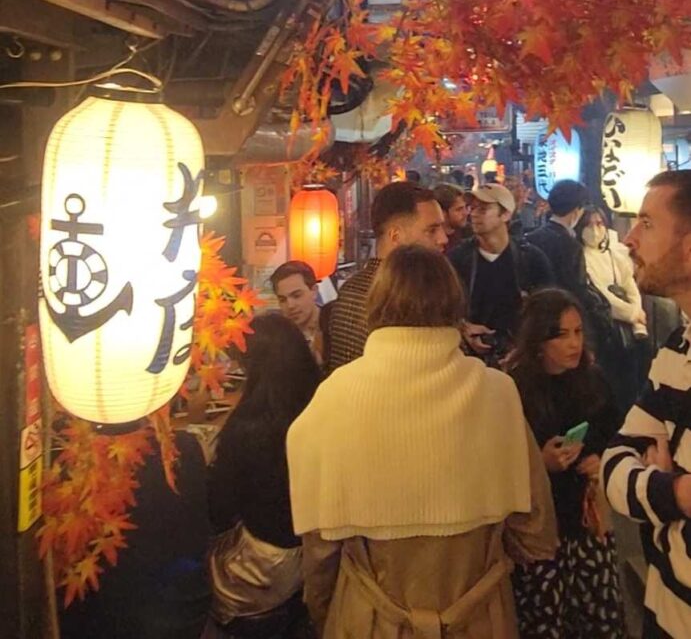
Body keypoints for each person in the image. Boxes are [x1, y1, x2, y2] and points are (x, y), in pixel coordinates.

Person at [287, 245, 558, 638]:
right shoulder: (496, 393)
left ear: (376, 304)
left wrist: (325, 610)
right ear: (452, 304)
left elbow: (319, 556)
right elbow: (537, 536)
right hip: (479, 615)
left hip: (371, 618)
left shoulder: (334, 397)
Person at [601, 171, 691, 639]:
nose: (629, 239)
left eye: (647, 224)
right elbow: (614, 465)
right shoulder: (678, 346)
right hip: (662, 603)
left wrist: (652, 479)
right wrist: (674, 493)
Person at [509, 289, 625, 638]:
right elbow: (504, 459)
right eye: (561, 335)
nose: (574, 343)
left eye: (577, 332)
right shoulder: (517, 389)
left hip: (587, 521)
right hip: (543, 530)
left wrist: (602, 458)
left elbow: (616, 430)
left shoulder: (592, 379)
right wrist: (541, 462)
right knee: (546, 620)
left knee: (600, 615)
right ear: (540, 341)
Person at [207, 315, 321, 637]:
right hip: (318, 555)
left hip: (265, 569)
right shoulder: (322, 403)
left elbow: (219, 510)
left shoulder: (250, 427)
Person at [60, 432, 211, 639]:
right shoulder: (180, 448)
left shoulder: (70, 462)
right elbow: (197, 535)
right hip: (175, 602)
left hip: (101, 611)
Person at [326, 181, 447, 371]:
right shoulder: (408, 296)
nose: (443, 239)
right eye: (431, 230)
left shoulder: (350, 289)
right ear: (395, 236)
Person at [448, 183, 554, 363]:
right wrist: (463, 327)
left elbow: (550, 310)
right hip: (470, 361)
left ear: (505, 214)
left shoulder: (530, 258)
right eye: (471, 208)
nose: (473, 214)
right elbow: (444, 307)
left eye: (483, 209)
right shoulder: (458, 258)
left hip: (523, 358)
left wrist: (524, 346)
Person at [576, 205, 649, 414]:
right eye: (589, 224)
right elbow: (600, 295)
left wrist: (636, 310)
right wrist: (632, 314)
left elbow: (629, 285)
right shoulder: (580, 257)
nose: (595, 229)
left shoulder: (615, 253)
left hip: (631, 333)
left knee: (634, 381)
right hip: (605, 332)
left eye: (599, 223)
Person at [270, 260, 324, 366]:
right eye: (282, 300)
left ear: (314, 291)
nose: (290, 305)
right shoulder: (278, 337)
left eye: (297, 296)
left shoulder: (334, 327)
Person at [433, 182, 472, 249]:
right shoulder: (433, 242)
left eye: (466, 207)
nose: (466, 213)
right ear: (442, 212)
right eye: (459, 209)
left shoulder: (469, 233)